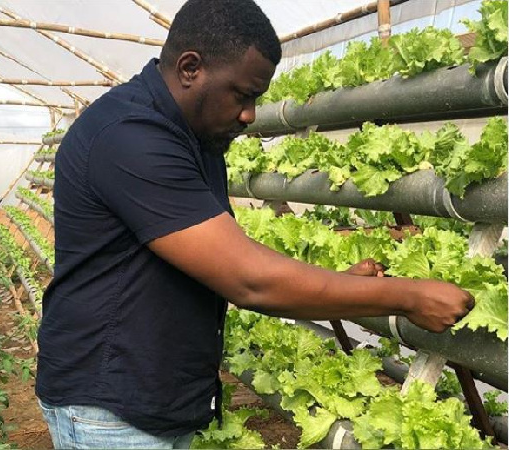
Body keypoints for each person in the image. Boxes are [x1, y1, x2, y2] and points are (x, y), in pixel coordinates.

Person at [35, 0, 475, 448]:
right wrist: (406, 297)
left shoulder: (194, 135)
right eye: (242, 95)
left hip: (150, 397)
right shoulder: (130, 136)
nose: (249, 114)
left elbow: (218, 256)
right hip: (111, 410)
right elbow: (248, 280)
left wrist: (336, 283)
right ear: (191, 68)